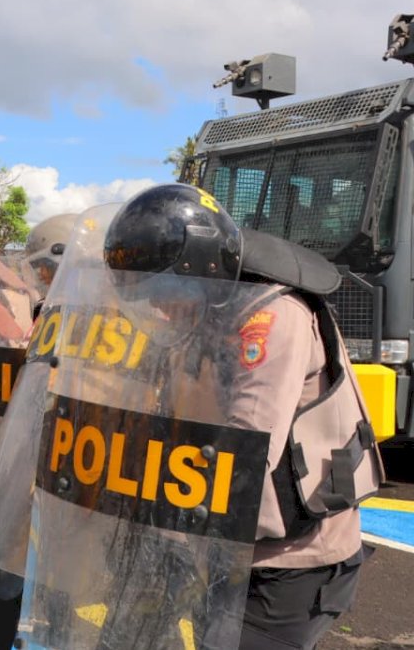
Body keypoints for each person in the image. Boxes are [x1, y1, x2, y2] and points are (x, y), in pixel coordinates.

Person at [101, 183, 381, 649]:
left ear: (203, 269)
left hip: (289, 562)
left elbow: (245, 443)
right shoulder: (201, 313)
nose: (155, 305)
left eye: (162, 288)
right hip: (220, 542)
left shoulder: (271, 317)